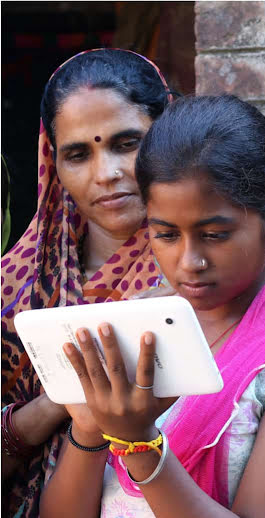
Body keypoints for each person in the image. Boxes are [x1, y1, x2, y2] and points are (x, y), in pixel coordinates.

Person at [40, 95, 265, 518]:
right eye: (166, 235)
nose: (190, 261)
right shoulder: (142, 325)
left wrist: (139, 444)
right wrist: (89, 427)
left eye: (213, 234)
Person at [1, 48, 174, 518]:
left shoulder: (200, 272)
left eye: (126, 143)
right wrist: (58, 400)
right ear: (51, 163)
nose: (107, 174)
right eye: (78, 154)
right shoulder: (14, 290)